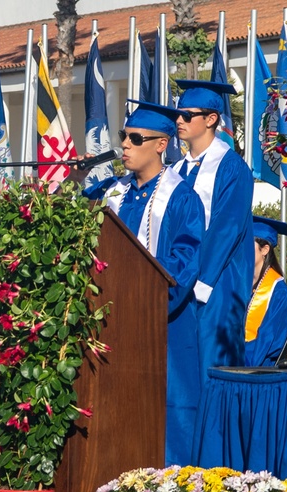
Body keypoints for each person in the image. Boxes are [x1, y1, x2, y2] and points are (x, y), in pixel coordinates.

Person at [87, 100, 204, 467]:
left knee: (165, 410)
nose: (125, 145)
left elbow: (182, 265)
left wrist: (139, 306)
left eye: (136, 138)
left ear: (161, 145)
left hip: (161, 326)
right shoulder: (109, 194)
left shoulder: (182, 198)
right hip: (106, 323)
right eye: (124, 137)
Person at [171, 79, 255, 380]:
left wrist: (199, 283)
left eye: (187, 115)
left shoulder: (232, 167)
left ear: (211, 119)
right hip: (180, 285)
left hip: (216, 285)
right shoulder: (176, 171)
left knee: (211, 368)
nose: (178, 120)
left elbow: (226, 229)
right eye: (176, 114)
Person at [244, 217, 287, 367]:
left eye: (247, 243)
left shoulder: (278, 292)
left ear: (265, 249)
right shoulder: (243, 284)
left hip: (258, 370)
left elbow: (268, 342)